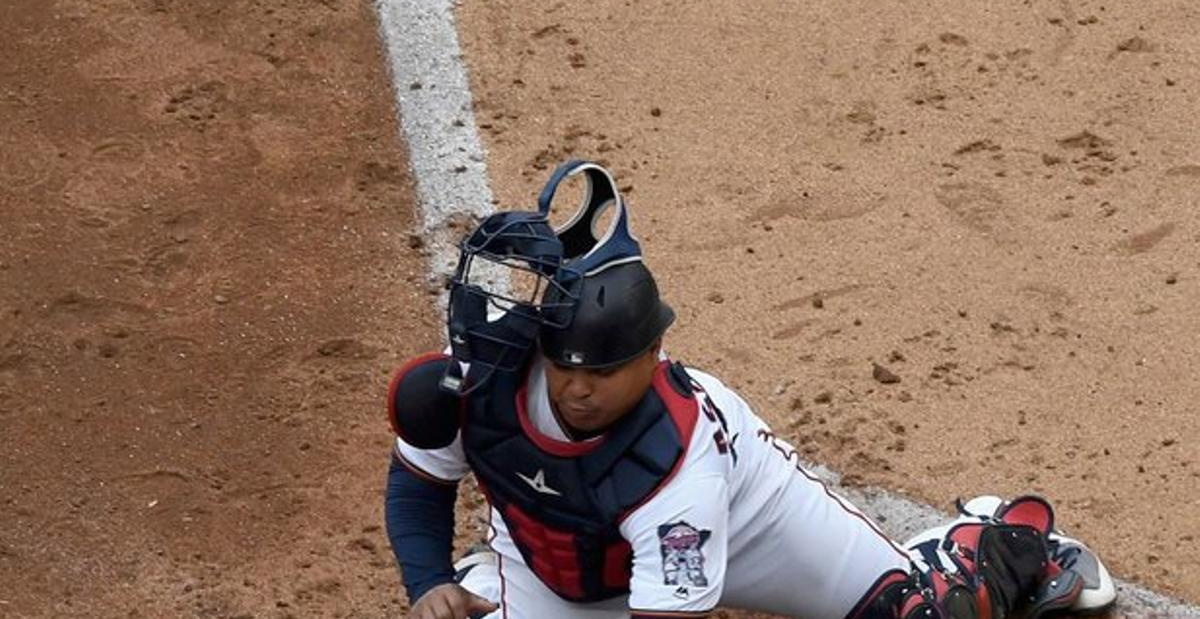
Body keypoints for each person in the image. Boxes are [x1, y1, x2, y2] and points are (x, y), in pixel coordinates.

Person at [384, 161, 1116, 619]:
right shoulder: (479, 374)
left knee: (922, 612)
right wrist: (426, 580)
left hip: (752, 523)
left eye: (602, 371)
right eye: (562, 364)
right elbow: (418, 484)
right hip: (553, 575)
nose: (576, 389)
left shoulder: (676, 468)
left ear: (653, 352)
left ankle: (990, 544)